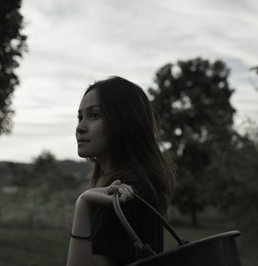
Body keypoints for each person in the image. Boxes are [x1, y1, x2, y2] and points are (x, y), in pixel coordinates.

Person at [66, 76, 176, 266]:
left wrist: (83, 204)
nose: (80, 128)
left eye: (94, 115)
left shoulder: (126, 195)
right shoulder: (119, 186)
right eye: (80, 117)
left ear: (124, 121)